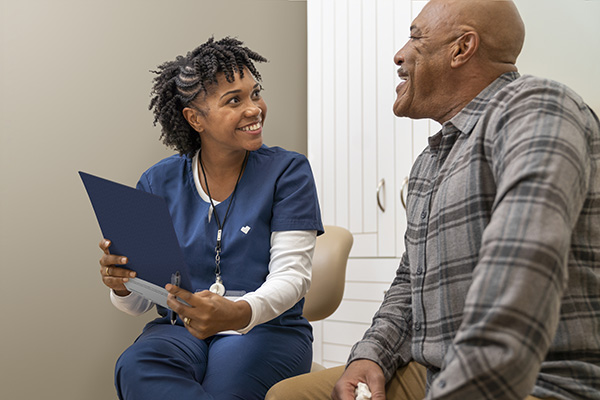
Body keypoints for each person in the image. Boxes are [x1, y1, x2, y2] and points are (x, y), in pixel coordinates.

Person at [266, 0, 600, 399]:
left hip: (539, 382)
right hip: (434, 371)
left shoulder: (535, 107)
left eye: (414, 37)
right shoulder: (429, 162)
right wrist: (370, 356)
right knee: (289, 395)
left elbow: (523, 269)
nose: (399, 54)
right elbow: (409, 284)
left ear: (462, 48)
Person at [98, 36, 323, 400]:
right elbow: (139, 302)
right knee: (135, 366)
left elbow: (292, 277)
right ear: (195, 118)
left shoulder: (289, 172)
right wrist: (123, 285)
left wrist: (235, 313)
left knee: (227, 386)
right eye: (234, 100)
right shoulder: (157, 181)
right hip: (178, 329)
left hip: (265, 328)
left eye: (255, 93)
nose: (254, 109)